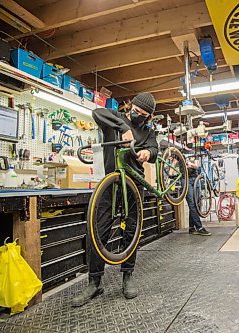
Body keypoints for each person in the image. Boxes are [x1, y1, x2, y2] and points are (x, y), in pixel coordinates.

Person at [72, 92, 159, 307]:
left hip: (133, 183)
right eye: (136, 111)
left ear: (148, 117)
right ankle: (94, 282)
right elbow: (96, 111)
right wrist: (124, 128)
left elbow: (156, 150)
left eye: (143, 115)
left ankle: (127, 276)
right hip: (110, 183)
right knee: (97, 229)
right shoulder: (114, 119)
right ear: (131, 106)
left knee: (131, 230)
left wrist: (147, 153)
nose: (138, 116)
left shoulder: (148, 132)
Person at [185, 157, 211, 236]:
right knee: (192, 204)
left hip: (195, 179)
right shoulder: (180, 153)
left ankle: (191, 228)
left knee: (197, 204)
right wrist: (168, 178)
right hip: (186, 180)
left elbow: (197, 166)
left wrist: (190, 164)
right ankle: (199, 227)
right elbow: (174, 164)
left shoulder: (194, 155)